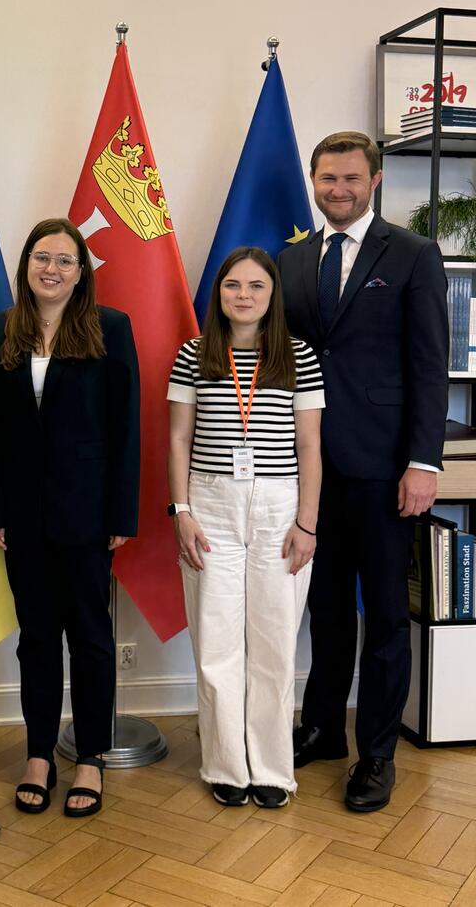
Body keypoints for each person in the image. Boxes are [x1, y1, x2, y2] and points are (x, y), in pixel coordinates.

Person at [278, 131, 449, 812]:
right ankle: (323, 728)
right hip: (309, 470)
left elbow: (429, 365)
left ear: (374, 180)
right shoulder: (291, 259)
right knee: (323, 609)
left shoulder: (412, 253)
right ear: (314, 181)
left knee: (383, 615)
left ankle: (377, 753)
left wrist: (423, 462)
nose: (339, 189)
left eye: (351, 178)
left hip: (385, 469)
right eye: (328, 178)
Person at [0, 217, 140, 818]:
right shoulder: (0, 329)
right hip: (22, 513)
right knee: (37, 639)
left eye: (66, 260)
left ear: (81, 272)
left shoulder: (110, 327)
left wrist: (121, 512)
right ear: (26, 266)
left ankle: (90, 756)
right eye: (42, 257)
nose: (53, 269)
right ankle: (39, 754)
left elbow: (126, 426)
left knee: (91, 637)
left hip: (88, 511)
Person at [168, 246, 323, 808]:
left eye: (257, 286)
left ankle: (273, 770)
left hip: (282, 507)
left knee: (274, 643)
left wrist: (307, 524)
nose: (244, 295)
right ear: (219, 293)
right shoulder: (194, 354)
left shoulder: (299, 356)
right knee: (216, 643)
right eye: (233, 285)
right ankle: (226, 765)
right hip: (210, 505)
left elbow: (310, 446)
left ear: (272, 295)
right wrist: (181, 511)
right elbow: (178, 438)